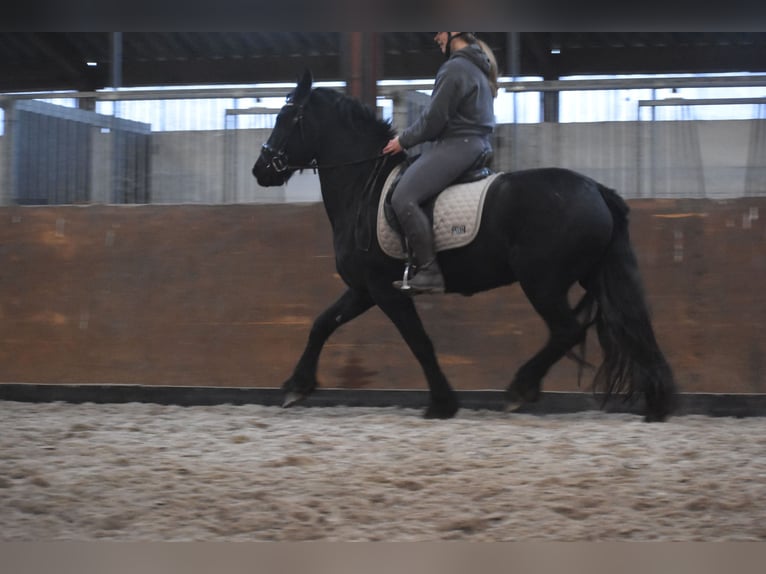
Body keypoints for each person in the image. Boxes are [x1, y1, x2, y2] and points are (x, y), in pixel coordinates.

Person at [383, 32, 498, 294]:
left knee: (403, 197)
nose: (436, 38)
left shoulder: (455, 67)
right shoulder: (479, 67)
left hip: (457, 146)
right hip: (477, 145)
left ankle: (429, 271)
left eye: (439, 32)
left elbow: (433, 121)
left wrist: (403, 141)